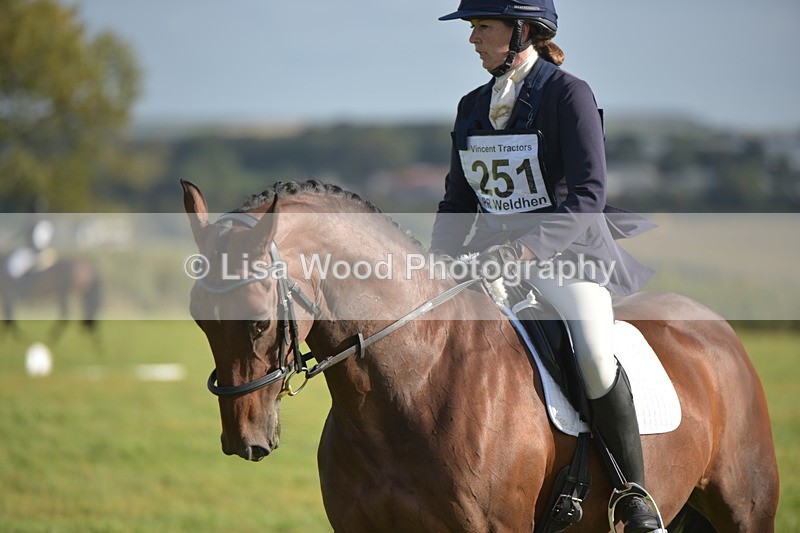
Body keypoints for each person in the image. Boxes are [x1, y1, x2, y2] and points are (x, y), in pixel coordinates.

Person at [430, 1, 662, 531]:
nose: (472, 38)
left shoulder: (568, 95)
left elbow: (587, 196)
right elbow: (457, 201)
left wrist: (522, 252)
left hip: (566, 256)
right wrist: (439, 262)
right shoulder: (471, 106)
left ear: (522, 31)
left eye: (482, 26)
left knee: (595, 356)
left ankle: (633, 494)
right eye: (473, 27)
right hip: (488, 260)